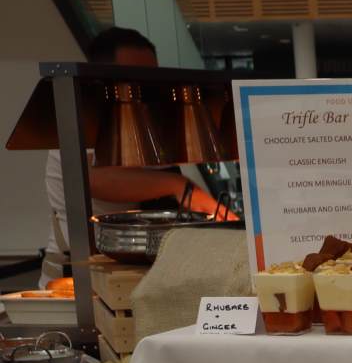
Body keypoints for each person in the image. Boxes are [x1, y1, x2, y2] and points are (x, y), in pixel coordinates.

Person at [41, 26, 221, 287]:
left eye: (150, 77)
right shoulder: (82, 119)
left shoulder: (145, 123)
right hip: (77, 274)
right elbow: (94, 179)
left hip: (137, 270)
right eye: (133, 77)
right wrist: (179, 186)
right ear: (102, 76)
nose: (143, 86)